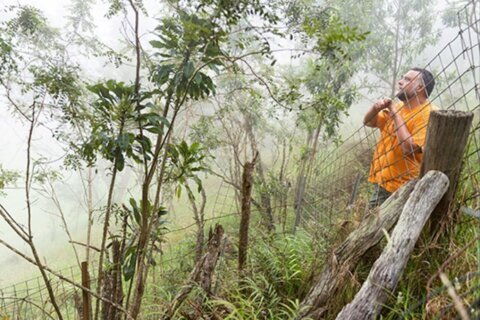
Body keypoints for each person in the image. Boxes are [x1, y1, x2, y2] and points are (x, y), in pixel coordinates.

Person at [363, 68, 436, 208]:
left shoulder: (428, 115)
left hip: (403, 188)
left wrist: (395, 114)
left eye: (407, 79)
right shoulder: (399, 107)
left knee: (377, 227)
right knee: (371, 226)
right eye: (402, 78)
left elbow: (409, 149)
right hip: (384, 182)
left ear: (420, 87)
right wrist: (375, 108)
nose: (400, 82)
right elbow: (369, 122)